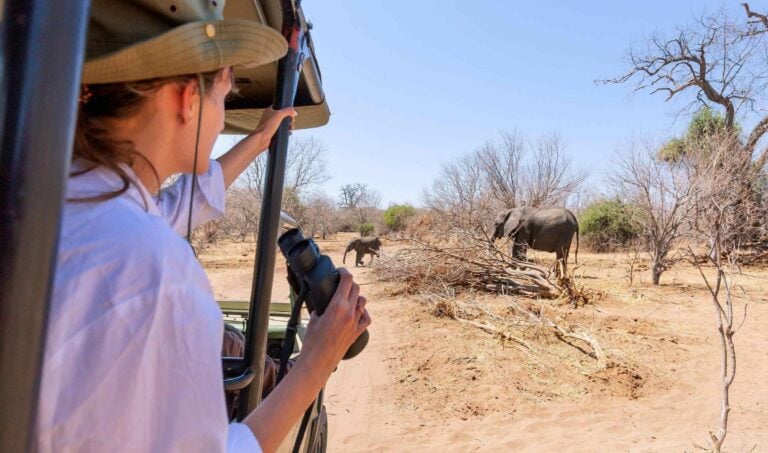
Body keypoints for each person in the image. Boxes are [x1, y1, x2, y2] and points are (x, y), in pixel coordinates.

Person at [36, 1, 371, 452]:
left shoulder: (54, 206)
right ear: (187, 100)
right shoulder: (153, 271)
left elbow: (173, 208)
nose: (222, 113)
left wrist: (256, 141)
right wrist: (317, 360)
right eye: (223, 95)